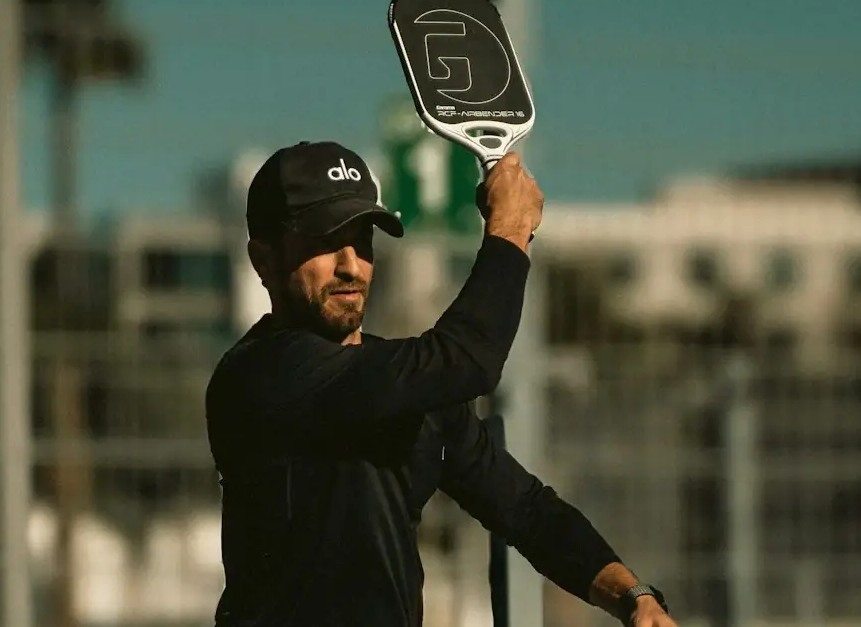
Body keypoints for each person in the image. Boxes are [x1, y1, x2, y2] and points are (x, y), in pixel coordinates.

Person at [206, 140, 677, 627]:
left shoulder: (408, 386)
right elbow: (467, 360)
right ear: (262, 260)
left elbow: (527, 510)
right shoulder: (261, 376)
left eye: (362, 239)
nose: (351, 264)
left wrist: (635, 599)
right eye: (324, 242)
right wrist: (510, 229)